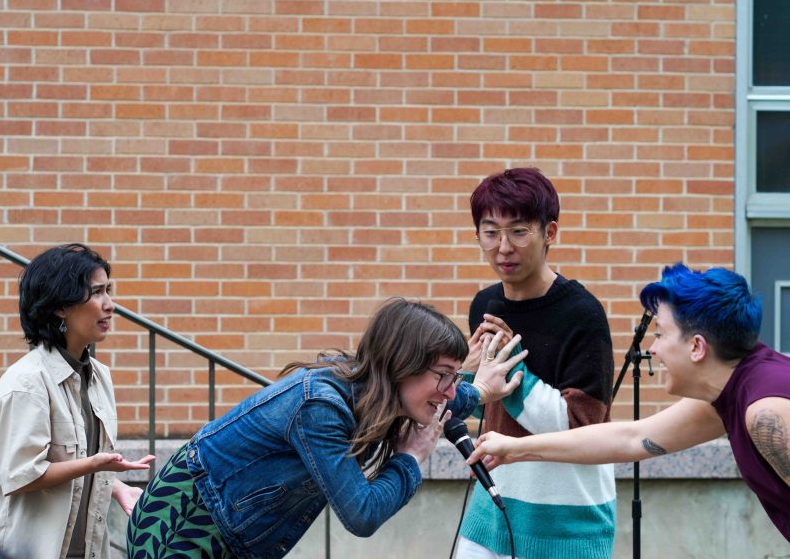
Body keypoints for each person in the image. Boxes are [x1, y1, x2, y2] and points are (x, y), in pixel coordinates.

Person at [126, 298, 528, 558]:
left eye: (455, 377)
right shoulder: (321, 408)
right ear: (401, 366)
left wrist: (479, 390)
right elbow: (362, 514)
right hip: (182, 527)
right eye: (445, 375)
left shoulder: (377, 391)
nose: (449, 391)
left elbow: (439, 396)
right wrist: (410, 458)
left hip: (234, 536)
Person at [470, 263, 790, 543]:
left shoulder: (765, 414)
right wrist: (513, 449)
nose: (652, 349)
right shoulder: (729, 391)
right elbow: (632, 438)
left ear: (696, 347)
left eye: (661, 334)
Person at [456, 168, 616, 559]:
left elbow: (582, 430)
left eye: (519, 231)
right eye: (490, 232)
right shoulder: (484, 305)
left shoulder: (582, 314)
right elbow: (482, 407)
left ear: (550, 232)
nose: (503, 247)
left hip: (565, 523)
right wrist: (465, 377)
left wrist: (509, 370)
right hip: (491, 509)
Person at [0, 244, 155, 559]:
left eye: (108, 291)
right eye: (97, 293)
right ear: (60, 307)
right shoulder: (26, 383)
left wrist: (114, 486)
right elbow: (21, 475)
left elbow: (71, 460)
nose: (110, 305)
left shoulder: (99, 376)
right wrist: (96, 464)